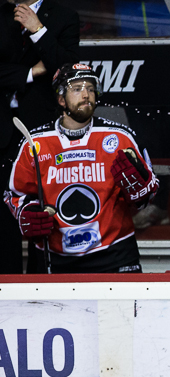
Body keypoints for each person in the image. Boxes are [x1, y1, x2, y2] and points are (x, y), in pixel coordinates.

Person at [5, 63, 158, 274]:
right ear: (60, 99)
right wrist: (26, 212)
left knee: (120, 309)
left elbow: (148, 192)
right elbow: (15, 194)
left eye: (90, 88)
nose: (86, 94)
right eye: (77, 88)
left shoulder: (120, 137)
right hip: (56, 258)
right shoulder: (36, 142)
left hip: (115, 253)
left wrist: (143, 190)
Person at [1, 0, 79, 274]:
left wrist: (38, 30)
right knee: (3, 217)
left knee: (44, 211)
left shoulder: (64, 16)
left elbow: (67, 70)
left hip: (42, 133)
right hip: (2, 131)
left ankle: (42, 287)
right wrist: (31, 72)